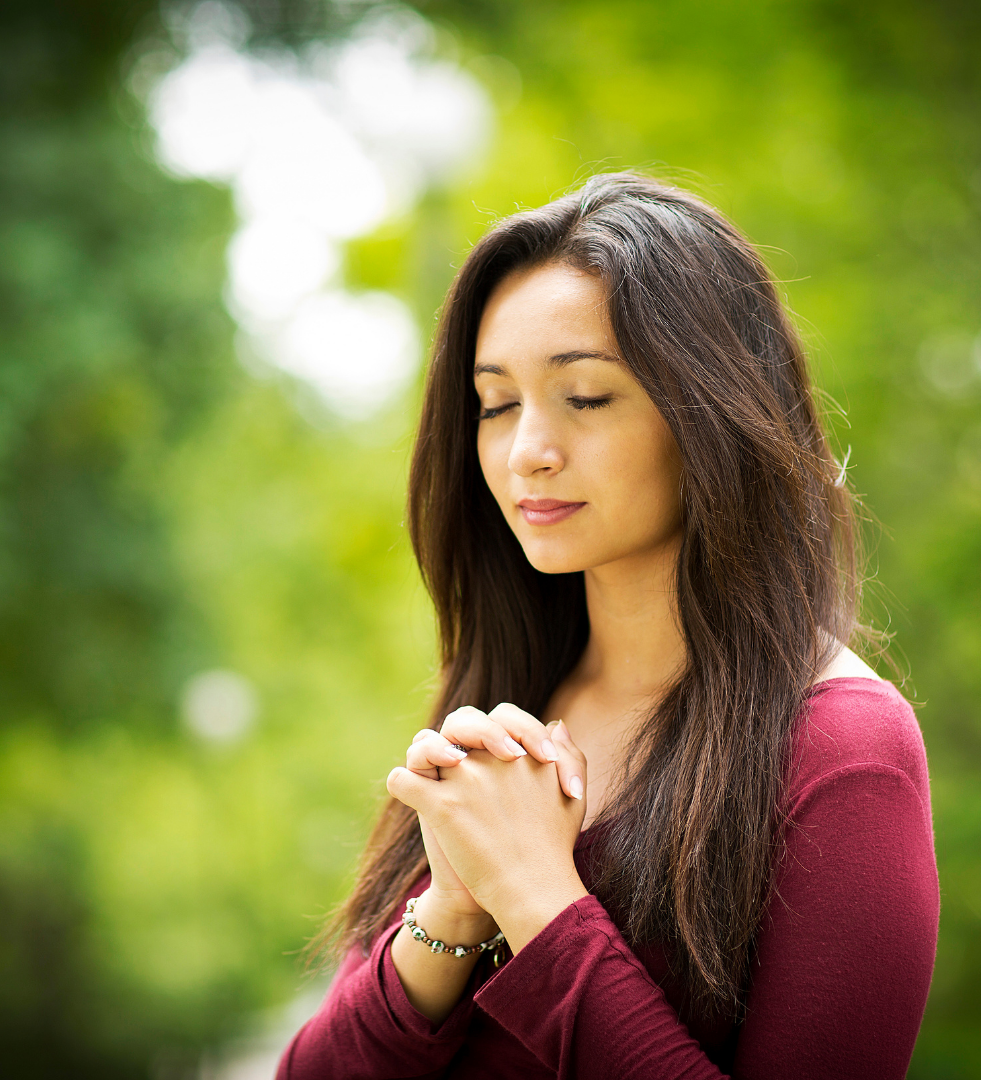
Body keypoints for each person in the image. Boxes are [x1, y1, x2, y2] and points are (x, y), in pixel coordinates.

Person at [277, 173, 939, 1079]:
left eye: (584, 398)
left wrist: (537, 895)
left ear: (717, 409)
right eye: (497, 404)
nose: (526, 451)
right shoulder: (502, 713)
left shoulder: (840, 748)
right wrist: (452, 917)